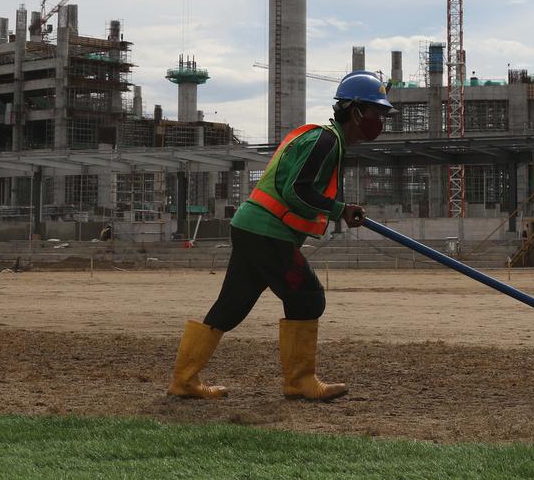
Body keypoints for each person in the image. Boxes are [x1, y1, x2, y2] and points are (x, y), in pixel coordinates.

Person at [167, 71, 393, 401]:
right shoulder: (326, 142)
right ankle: (300, 381)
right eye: (377, 113)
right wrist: (339, 209)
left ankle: (184, 381)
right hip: (266, 230)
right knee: (308, 296)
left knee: (232, 305)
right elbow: (295, 193)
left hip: (253, 227)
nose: (381, 121)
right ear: (355, 110)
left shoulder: (326, 141)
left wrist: (337, 209)